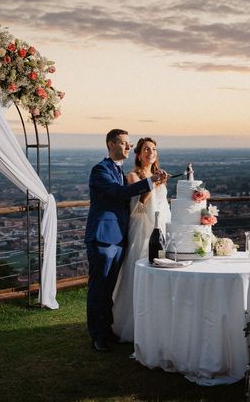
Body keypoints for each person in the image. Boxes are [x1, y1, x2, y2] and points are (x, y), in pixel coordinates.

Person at [84, 129, 167, 352]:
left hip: (120, 238)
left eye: (129, 144)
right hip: (103, 238)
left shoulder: (120, 172)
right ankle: (98, 336)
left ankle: (108, 330)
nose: (128, 147)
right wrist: (150, 182)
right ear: (110, 145)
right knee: (98, 289)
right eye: (124, 144)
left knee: (110, 289)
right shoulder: (100, 170)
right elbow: (118, 192)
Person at [112, 137, 171, 342]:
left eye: (154, 149)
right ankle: (133, 323)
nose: (151, 152)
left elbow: (162, 205)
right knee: (137, 269)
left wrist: (158, 182)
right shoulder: (133, 176)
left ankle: (157, 321)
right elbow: (141, 204)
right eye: (146, 149)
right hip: (141, 227)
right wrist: (152, 184)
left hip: (158, 225)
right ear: (138, 154)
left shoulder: (158, 176)